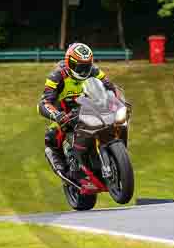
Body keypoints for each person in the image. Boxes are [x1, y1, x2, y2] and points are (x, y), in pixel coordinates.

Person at [38, 43, 118, 177]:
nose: (83, 71)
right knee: (51, 135)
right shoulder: (57, 76)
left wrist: (117, 102)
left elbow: (110, 87)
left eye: (86, 66)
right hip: (66, 114)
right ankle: (61, 167)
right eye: (79, 67)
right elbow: (44, 102)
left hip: (90, 109)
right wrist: (57, 115)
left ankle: (109, 156)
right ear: (69, 62)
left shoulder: (94, 71)